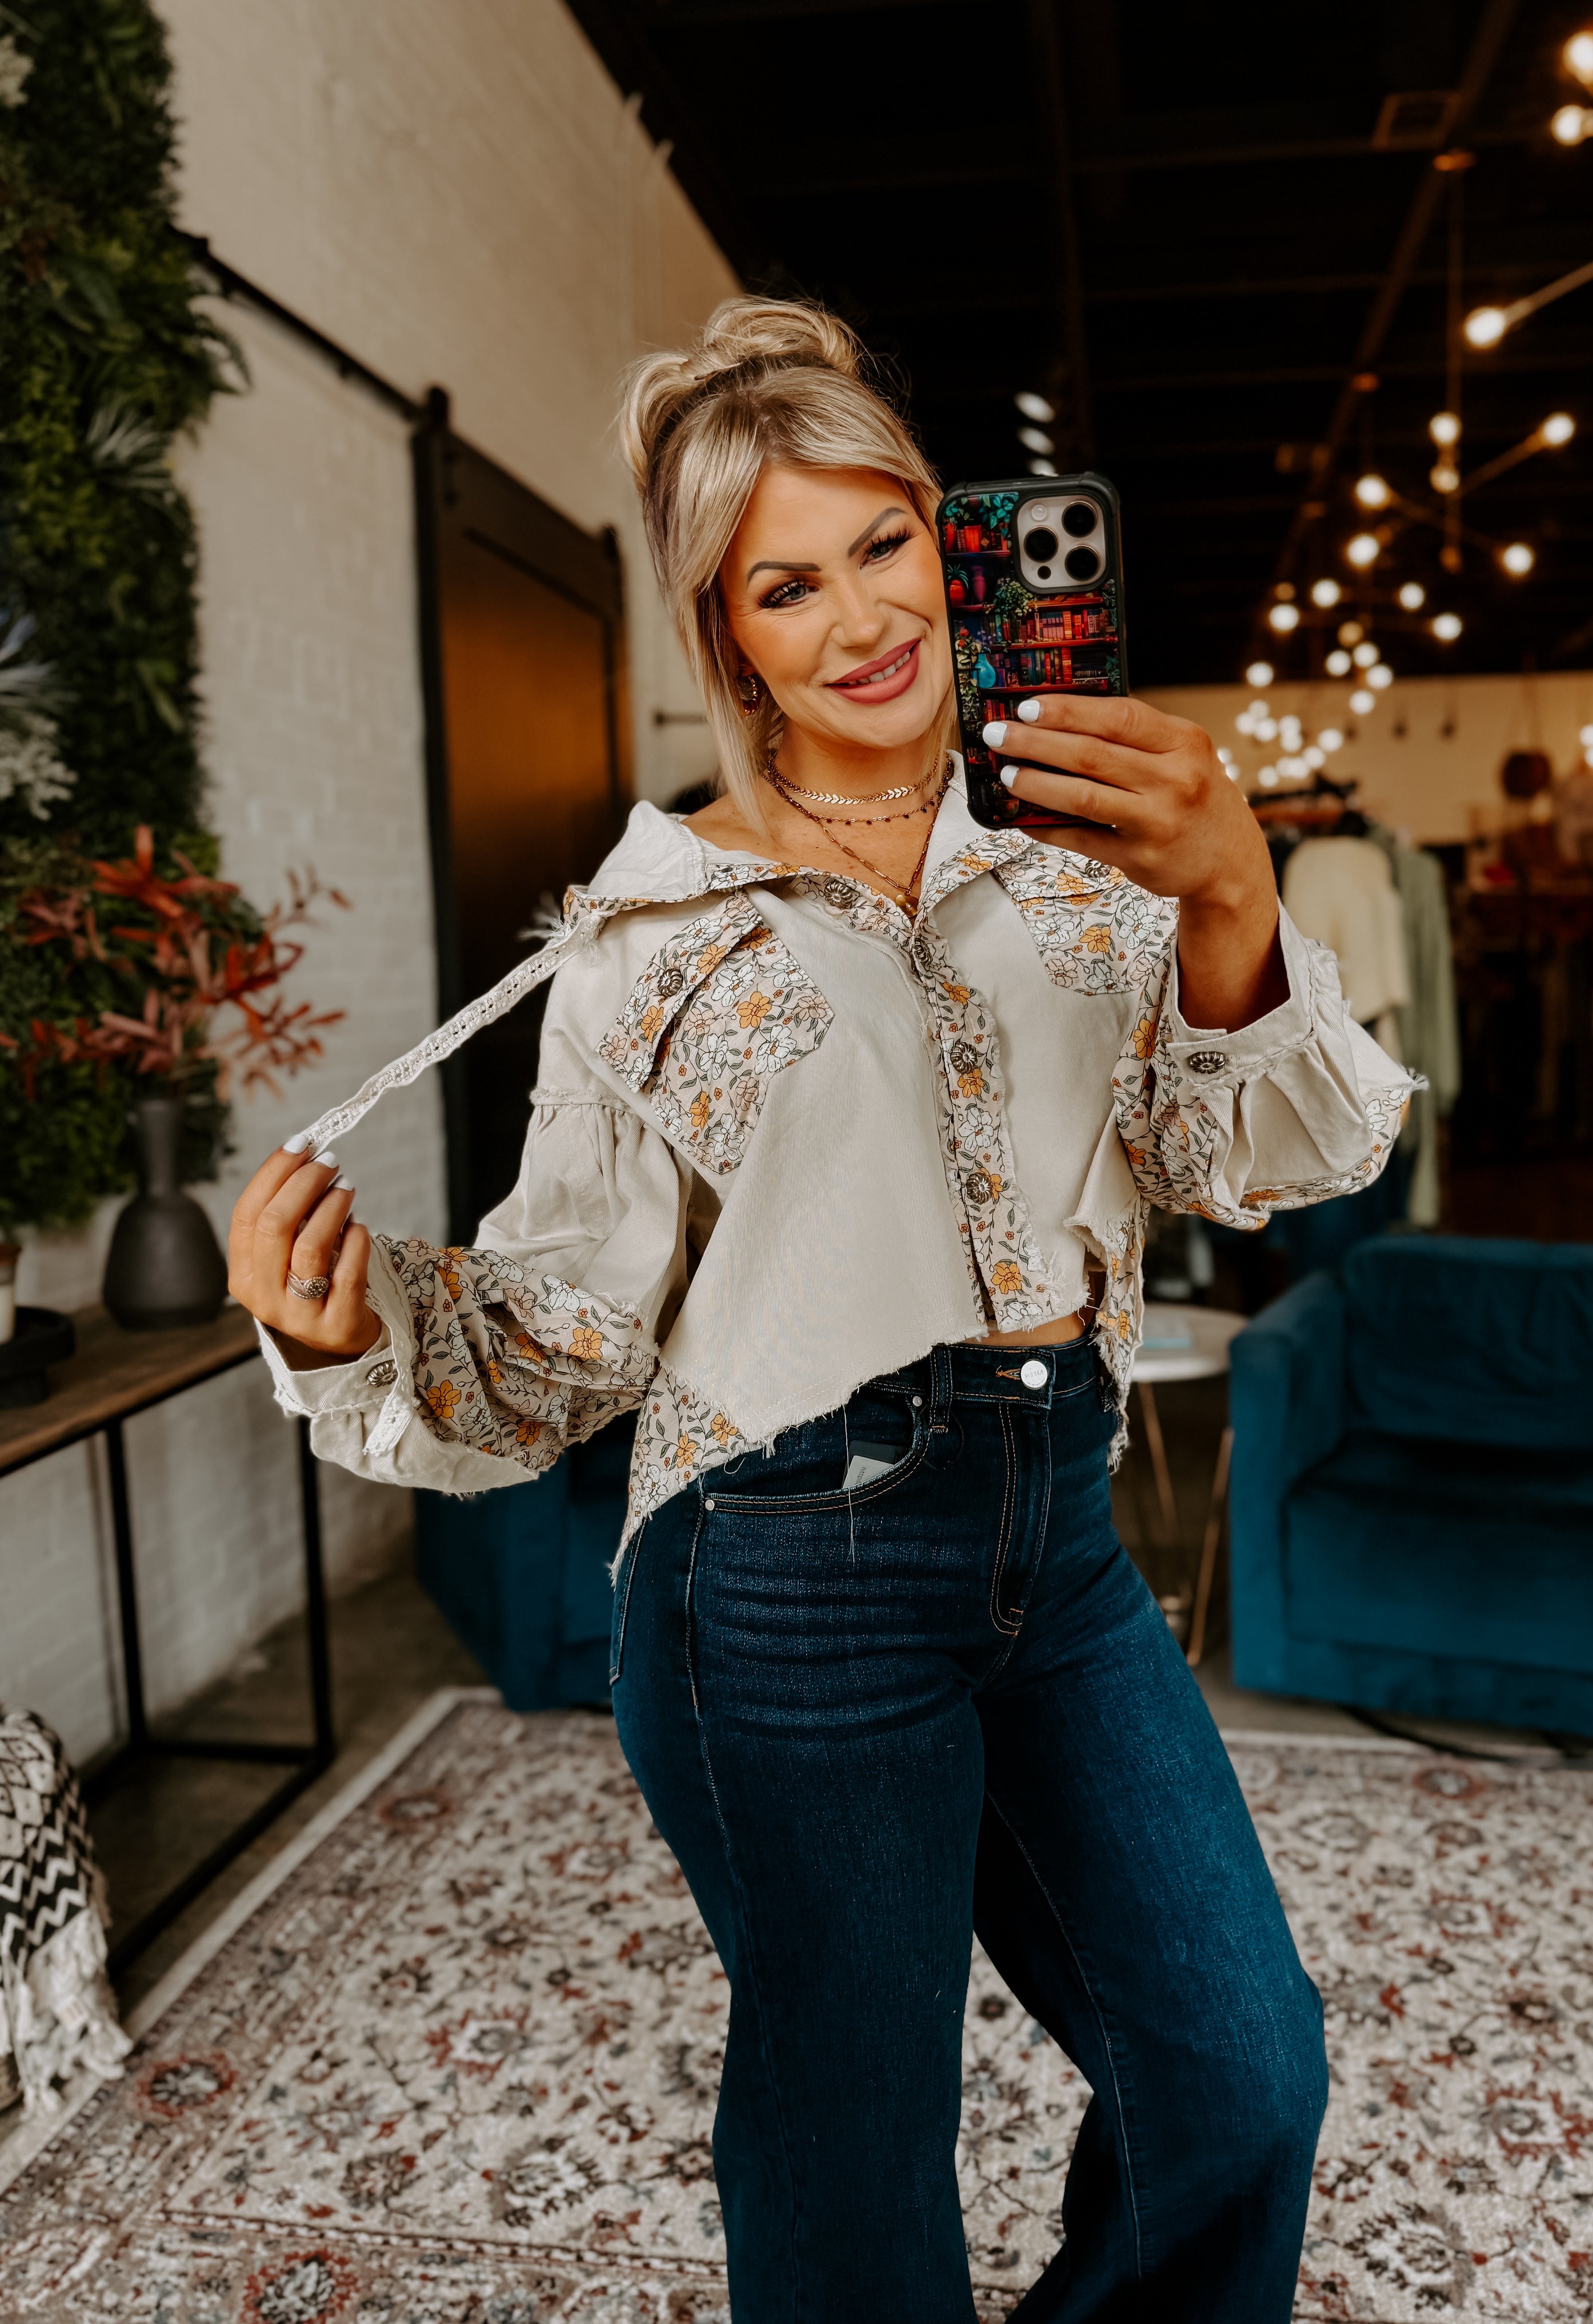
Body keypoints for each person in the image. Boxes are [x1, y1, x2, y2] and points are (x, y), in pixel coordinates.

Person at [228, 298, 1415, 2321]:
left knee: (1240, 2071)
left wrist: (1230, 896)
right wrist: (353, 1329)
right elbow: (570, 1327)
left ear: (952, 549)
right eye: (788, 584)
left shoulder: (1091, 865)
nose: (861, 618)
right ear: (729, 633)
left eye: (884, 543)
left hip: (1060, 1541)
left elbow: (1235, 1157)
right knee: (857, 2155)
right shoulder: (650, 933)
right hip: (779, 1574)